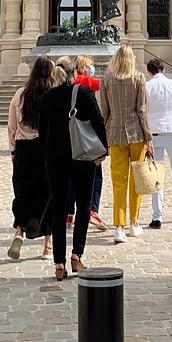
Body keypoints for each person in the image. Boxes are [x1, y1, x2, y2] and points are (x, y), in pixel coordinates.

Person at [39, 62, 109, 281]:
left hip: (55, 158)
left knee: (59, 208)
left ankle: (59, 262)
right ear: (75, 73)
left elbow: (42, 131)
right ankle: (76, 255)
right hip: (83, 155)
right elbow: (98, 122)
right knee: (84, 205)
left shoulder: (47, 97)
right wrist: (103, 151)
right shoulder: (85, 93)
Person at [98, 43, 153, 243]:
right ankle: (134, 223)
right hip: (137, 134)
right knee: (137, 180)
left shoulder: (106, 81)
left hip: (114, 134)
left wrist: (101, 136)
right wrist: (149, 137)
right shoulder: (139, 78)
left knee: (118, 182)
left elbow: (104, 112)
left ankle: (119, 227)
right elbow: (142, 111)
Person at [6, 56, 60, 260]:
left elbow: (12, 126)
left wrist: (13, 150)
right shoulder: (52, 95)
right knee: (48, 196)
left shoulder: (20, 94)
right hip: (46, 148)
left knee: (24, 193)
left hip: (24, 149)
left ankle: (20, 230)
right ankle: (48, 245)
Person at [144, 58, 172, 228]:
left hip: (155, 132)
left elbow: (145, 109)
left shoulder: (147, 86)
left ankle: (157, 216)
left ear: (150, 72)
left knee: (157, 174)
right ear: (163, 70)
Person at [71, 55, 108, 232]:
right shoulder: (86, 80)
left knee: (71, 175)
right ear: (82, 66)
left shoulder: (72, 80)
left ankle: (69, 212)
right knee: (96, 174)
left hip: (74, 132)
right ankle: (93, 209)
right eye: (89, 65)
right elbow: (103, 84)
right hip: (89, 131)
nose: (92, 68)